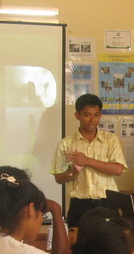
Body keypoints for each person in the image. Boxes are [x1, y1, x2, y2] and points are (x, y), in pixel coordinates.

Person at [52, 93, 127, 229]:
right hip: (80, 205)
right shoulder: (66, 143)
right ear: (77, 115)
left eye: (96, 115)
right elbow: (59, 178)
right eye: (87, 115)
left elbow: (118, 169)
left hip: (107, 202)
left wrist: (87, 160)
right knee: (78, 243)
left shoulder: (111, 140)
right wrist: (74, 172)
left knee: (109, 243)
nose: (92, 120)